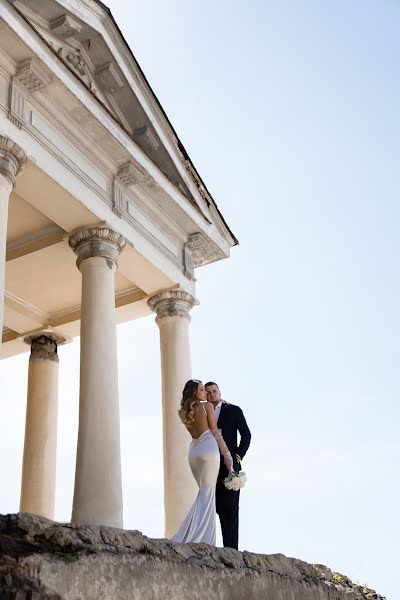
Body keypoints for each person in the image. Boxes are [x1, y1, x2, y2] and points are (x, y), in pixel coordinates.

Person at [171, 379, 233, 545]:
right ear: (194, 393)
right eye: (202, 390)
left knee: (203, 493)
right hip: (208, 448)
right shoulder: (207, 406)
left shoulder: (183, 411)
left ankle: (195, 533)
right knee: (207, 494)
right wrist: (227, 455)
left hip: (194, 452)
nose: (205, 393)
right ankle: (201, 538)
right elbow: (215, 432)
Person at [205, 381, 251, 550]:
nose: (212, 395)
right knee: (214, 506)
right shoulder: (203, 412)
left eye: (214, 391)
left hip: (230, 464)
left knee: (231, 507)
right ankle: (209, 545)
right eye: (208, 392)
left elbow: (246, 434)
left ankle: (231, 549)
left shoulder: (233, 410)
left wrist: (238, 455)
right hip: (209, 464)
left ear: (220, 392)